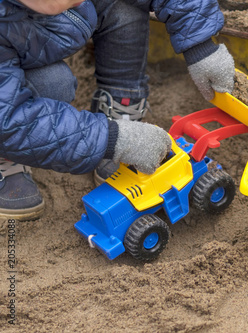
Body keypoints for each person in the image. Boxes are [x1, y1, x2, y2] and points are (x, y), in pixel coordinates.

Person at [0, 0, 235, 221]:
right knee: (54, 84)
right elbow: (8, 120)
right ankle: (6, 157)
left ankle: (121, 105)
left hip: (35, 34)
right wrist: (112, 139)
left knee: (123, 4)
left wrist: (200, 45)